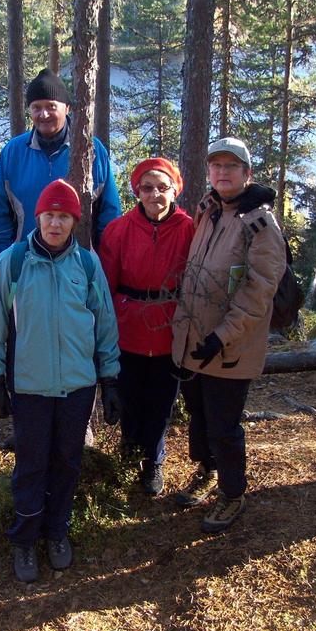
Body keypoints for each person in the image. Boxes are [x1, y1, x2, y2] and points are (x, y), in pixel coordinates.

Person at [0, 180, 122, 583]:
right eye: (49, 215)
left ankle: (57, 532)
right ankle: (24, 539)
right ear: (37, 217)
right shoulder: (14, 261)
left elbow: (105, 325)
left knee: (66, 462)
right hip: (30, 386)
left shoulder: (88, 265)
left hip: (78, 386)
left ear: (75, 221)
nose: (55, 223)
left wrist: (110, 379)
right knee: (31, 465)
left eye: (64, 216)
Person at [172, 138, 287, 533]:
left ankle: (232, 493)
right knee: (200, 418)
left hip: (229, 347)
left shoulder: (260, 224)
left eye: (231, 166)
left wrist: (221, 337)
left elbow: (259, 293)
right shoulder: (210, 212)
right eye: (216, 165)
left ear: (247, 173)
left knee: (223, 426)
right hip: (194, 344)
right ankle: (207, 471)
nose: (222, 172)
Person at [98, 158, 194, 496]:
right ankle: (129, 453)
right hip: (128, 328)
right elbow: (106, 286)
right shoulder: (118, 230)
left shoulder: (189, 229)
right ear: (137, 191)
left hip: (170, 329)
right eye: (147, 187)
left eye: (162, 187)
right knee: (130, 399)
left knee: (161, 402)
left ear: (174, 189)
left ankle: (153, 461)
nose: (155, 194)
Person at [0, 68, 122, 258]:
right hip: (26, 264)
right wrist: (4, 261)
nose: (43, 114)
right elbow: (1, 213)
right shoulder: (14, 152)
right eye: (36, 107)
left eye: (51, 106)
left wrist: (106, 264)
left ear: (66, 107)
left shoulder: (91, 149)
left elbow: (109, 215)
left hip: (79, 265)